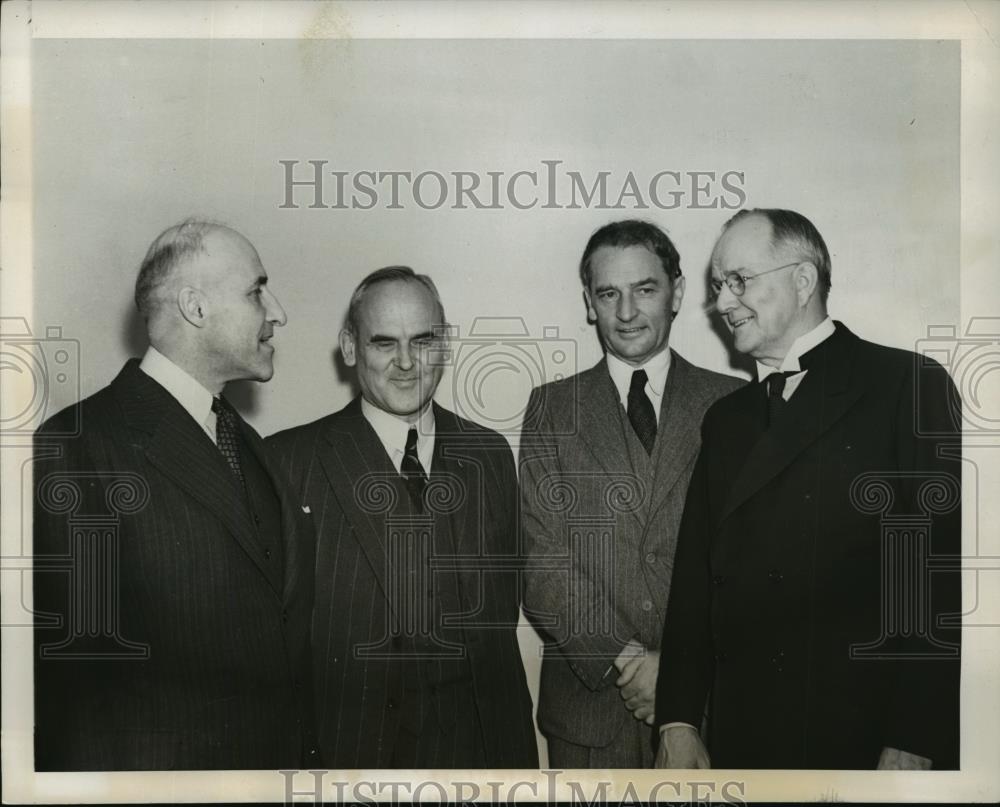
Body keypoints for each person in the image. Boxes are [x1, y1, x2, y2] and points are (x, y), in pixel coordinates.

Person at [655, 208, 962, 770]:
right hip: (745, 737)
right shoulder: (726, 419)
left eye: (739, 281)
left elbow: (934, 583)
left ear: (802, 280)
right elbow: (695, 582)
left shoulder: (907, 386)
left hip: (862, 738)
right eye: (719, 286)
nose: (722, 303)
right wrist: (677, 721)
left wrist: (916, 735)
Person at [33, 219, 317, 770]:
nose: (277, 311)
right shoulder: (78, 446)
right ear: (196, 307)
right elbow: (68, 690)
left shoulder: (248, 444)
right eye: (257, 290)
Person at [267, 266, 538, 768]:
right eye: (384, 343)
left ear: (447, 343)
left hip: (484, 756)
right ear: (350, 348)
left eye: (423, 340)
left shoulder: (491, 454)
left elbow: (501, 615)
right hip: (354, 759)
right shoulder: (288, 462)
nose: (407, 363)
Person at [520, 220, 743, 767]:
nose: (626, 312)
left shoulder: (735, 404)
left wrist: (680, 670)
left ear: (678, 293)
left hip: (713, 710)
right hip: (591, 716)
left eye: (645, 289)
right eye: (608, 293)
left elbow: (748, 565)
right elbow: (541, 562)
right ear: (589, 304)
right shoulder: (552, 409)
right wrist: (630, 662)